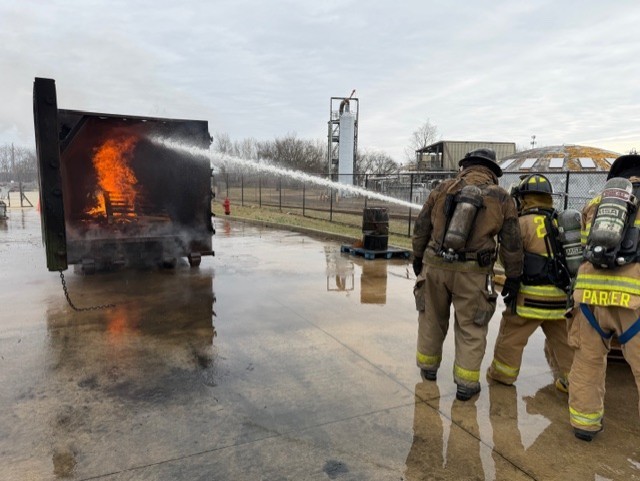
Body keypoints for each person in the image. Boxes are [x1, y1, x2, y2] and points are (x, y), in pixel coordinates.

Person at [412, 148, 523, 401]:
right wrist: (514, 276)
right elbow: (512, 243)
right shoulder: (502, 197)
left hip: (434, 267)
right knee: (471, 327)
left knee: (430, 318)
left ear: (465, 167)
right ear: (493, 173)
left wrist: (418, 257)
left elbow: (421, 226)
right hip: (473, 273)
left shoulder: (443, 188)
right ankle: (465, 384)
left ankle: (428, 369)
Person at [568, 153, 640, 441]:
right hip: (634, 301)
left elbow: (585, 249)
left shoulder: (597, 204)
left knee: (588, 361)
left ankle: (584, 424)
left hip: (590, 299)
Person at [487, 174, 574, 392]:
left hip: (528, 300)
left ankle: (502, 376)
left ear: (524, 199)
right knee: (566, 345)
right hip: (561, 302)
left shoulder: (521, 223)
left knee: (511, 339)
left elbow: (509, 259)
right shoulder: (562, 222)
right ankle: (572, 382)